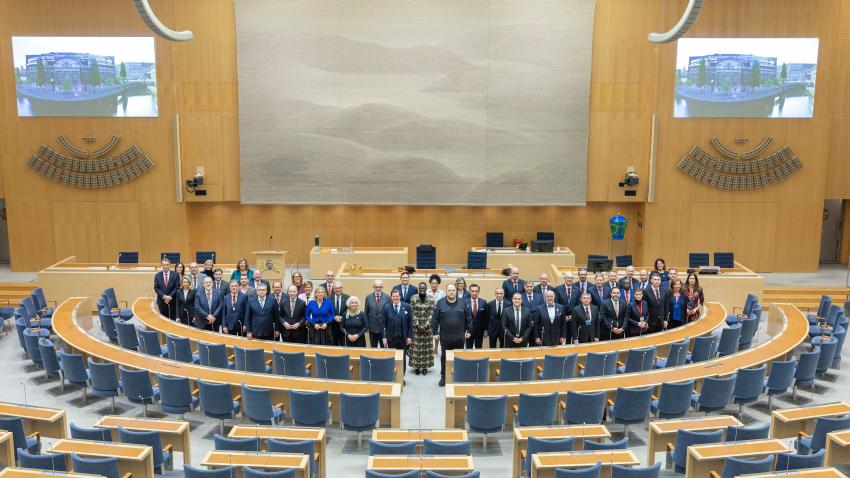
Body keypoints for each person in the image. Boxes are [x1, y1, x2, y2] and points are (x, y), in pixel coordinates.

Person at [432, 284, 471, 387]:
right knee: (444, 357)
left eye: (453, 290)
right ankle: (444, 376)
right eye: (449, 290)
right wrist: (435, 332)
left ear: (456, 291)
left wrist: (469, 330)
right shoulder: (440, 303)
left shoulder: (463, 302)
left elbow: (468, 317)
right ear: (446, 291)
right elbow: (435, 319)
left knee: (458, 357)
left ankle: (458, 376)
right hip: (445, 337)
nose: (451, 292)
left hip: (459, 336)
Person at [382, 290, 412, 374]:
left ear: (400, 297)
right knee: (392, 358)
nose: (395, 298)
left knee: (402, 358)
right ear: (391, 297)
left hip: (403, 338)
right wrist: (384, 337)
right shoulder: (386, 307)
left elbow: (410, 323)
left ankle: (401, 377)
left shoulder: (407, 306)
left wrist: (409, 336)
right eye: (393, 296)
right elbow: (383, 324)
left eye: (397, 296)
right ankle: (392, 375)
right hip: (391, 338)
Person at [409, 282, 435, 374]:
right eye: (420, 288)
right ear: (418, 289)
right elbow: (411, 312)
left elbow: (432, 313)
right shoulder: (413, 298)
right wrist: (417, 325)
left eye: (424, 288)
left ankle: (425, 367)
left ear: (426, 289)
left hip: (427, 329)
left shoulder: (431, 298)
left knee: (426, 349)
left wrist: (426, 326)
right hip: (416, 328)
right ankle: (416, 367)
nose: (422, 290)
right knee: (416, 348)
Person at [364, 280, 390, 347]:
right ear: (373, 287)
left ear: (382, 287)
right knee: (373, 347)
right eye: (376, 287)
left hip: (383, 328)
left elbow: (389, 313)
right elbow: (366, 312)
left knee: (383, 348)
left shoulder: (387, 297)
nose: (378, 288)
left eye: (380, 287)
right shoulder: (368, 297)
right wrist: (366, 327)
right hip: (372, 328)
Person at [466, 284, 488, 349]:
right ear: (470, 291)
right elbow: (463, 317)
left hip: (480, 331)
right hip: (468, 331)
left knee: (479, 348)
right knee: (468, 349)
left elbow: (486, 318)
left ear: (478, 292)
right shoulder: (465, 302)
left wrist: (486, 330)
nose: (474, 293)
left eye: (476, 291)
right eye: (472, 291)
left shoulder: (484, 302)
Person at [328, 281, 349, 346]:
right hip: (332, 326)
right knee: (333, 346)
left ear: (342, 288)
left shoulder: (347, 298)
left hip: (344, 326)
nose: (338, 290)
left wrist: (342, 317)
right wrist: (334, 317)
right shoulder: (328, 299)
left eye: (339, 288)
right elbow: (327, 311)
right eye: (336, 288)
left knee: (344, 346)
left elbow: (349, 310)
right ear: (333, 289)